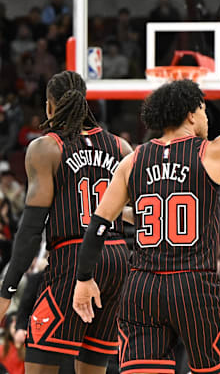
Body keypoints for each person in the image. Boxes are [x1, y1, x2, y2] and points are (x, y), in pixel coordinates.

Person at [71, 38, 220, 374]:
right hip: (193, 285)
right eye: (205, 109)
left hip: (143, 288)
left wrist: (84, 278)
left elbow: (99, 225)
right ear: (191, 113)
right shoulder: (212, 150)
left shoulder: (132, 160)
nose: (207, 116)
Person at [0, 70, 134, 373]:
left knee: (39, 363)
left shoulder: (46, 148)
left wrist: (6, 291)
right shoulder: (121, 148)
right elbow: (135, 212)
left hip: (74, 258)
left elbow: (32, 229)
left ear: (50, 107)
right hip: (117, 258)